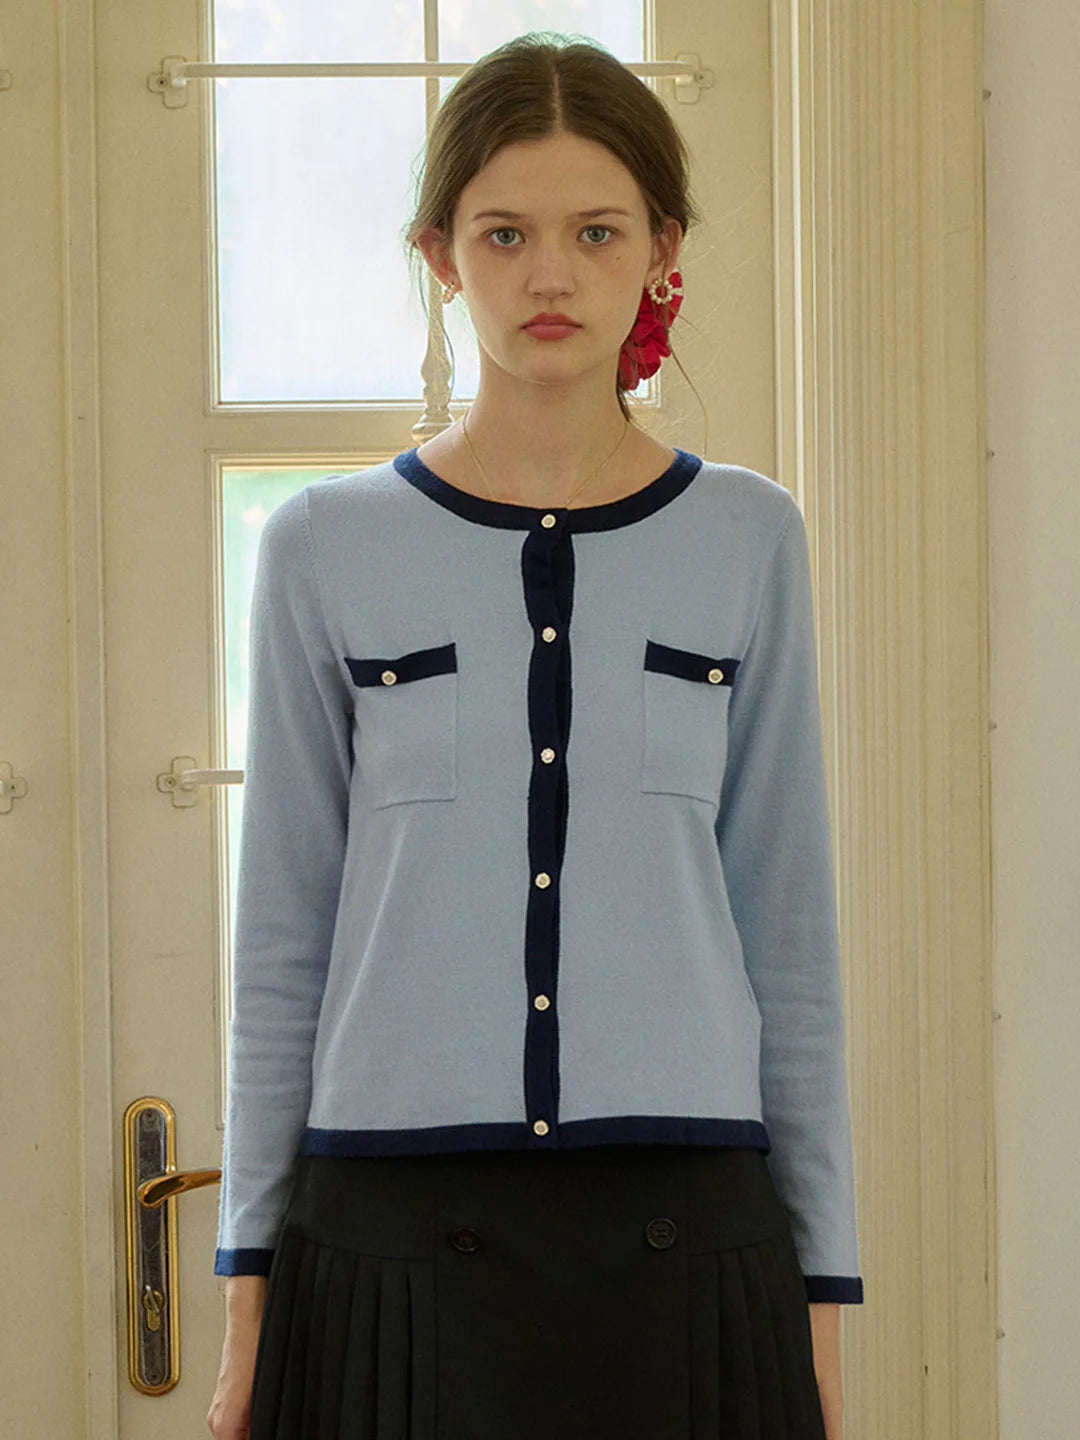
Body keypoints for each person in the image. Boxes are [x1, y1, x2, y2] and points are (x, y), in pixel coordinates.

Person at [207, 31, 863, 1440]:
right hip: (387, 1239)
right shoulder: (322, 547)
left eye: (595, 231)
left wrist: (821, 1299)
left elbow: (789, 938)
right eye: (504, 233)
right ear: (440, 254)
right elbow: (282, 945)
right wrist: (248, 1293)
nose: (549, 276)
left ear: (662, 249)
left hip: (688, 1239)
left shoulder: (751, 537)